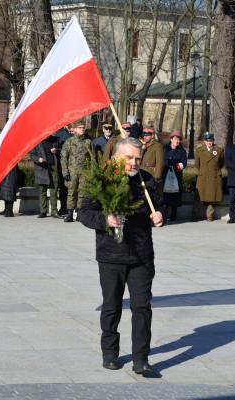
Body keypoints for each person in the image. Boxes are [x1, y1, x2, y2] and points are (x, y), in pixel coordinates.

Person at [78, 137, 164, 376]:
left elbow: (160, 205)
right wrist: (105, 220)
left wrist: (160, 215)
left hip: (141, 255)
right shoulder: (102, 181)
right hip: (111, 255)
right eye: (129, 158)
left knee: (142, 307)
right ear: (115, 157)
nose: (134, 163)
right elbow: (84, 213)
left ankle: (141, 359)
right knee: (112, 306)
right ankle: (110, 353)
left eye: (138, 158)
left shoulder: (146, 181)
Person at [61, 120, 92, 222]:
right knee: (71, 192)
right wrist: (65, 172)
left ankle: (79, 213)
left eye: (83, 128)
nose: (82, 129)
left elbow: (92, 158)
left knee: (82, 193)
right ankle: (70, 213)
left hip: (84, 172)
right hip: (72, 172)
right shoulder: (69, 142)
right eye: (80, 128)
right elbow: (64, 158)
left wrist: (91, 172)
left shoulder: (88, 142)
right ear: (74, 129)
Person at [29, 134, 61, 218]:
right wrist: (38, 159)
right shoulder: (36, 141)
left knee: (54, 189)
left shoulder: (55, 140)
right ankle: (43, 211)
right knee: (42, 190)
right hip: (42, 168)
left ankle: (54, 211)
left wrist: (56, 151)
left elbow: (62, 151)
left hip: (53, 167)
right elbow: (32, 155)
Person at [195, 132, 224, 221]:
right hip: (203, 176)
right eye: (207, 141)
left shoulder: (219, 150)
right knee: (200, 196)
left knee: (212, 197)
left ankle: (209, 215)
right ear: (204, 141)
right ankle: (196, 215)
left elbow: (221, 163)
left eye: (211, 140)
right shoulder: (199, 150)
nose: (209, 142)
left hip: (214, 176)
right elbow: (197, 164)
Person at [163, 130, 187, 221]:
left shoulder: (182, 151)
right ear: (171, 139)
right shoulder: (165, 148)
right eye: (176, 139)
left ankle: (173, 215)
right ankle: (164, 214)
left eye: (179, 139)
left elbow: (183, 163)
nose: (177, 141)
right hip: (165, 175)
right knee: (165, 195)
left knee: (175, 195)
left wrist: (174, 167)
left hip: (176, 175)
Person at [54, 125, 72, 216]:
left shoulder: (61, 135)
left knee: (68, 189)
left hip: (70, 167)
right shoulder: (62, 135)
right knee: (64, 188)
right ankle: (65, 208)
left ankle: (68, 209)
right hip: (64, 166)